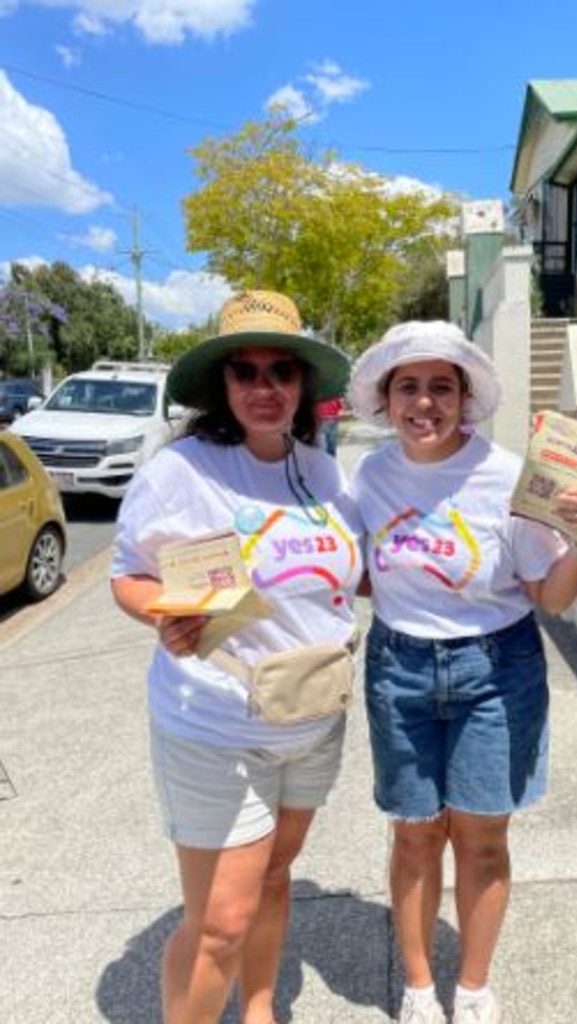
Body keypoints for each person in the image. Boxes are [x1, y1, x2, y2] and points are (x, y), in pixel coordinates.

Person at [347, 320, 577, 1024]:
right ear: (386, 398)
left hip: (497, 671)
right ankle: (417, 986)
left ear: (465, 399)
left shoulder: (505, 475)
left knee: (482, 837)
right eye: (409, 386)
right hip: (399, 669)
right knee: (413, 832)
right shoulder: (371, 475)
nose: (425, 403)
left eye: (442, 387)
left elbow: (550, 596)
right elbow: (360, 573)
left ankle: (472, 987)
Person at [110, 290, 363, 1024]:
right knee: (219, 922)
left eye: (282, 370)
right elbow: (128, 576)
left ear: (303, 386)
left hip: (313, 718)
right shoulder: (180, 471)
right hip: (215, 726)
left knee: (276, 877)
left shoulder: (322, 473)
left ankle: (260, 1012)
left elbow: (351, 575)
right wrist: (165, 613)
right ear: (221, 385)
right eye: (245, 372)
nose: (265, 388)